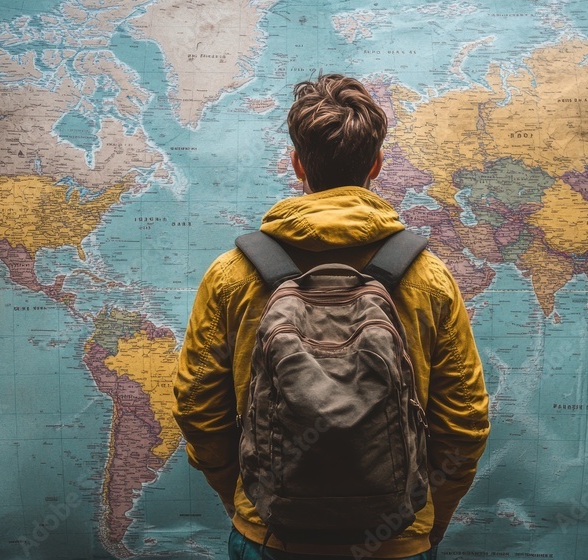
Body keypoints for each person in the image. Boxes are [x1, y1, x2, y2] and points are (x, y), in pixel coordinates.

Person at [173, 73, 490, 559]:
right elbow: (463, 423)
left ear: (297, 162)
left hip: (271, 537)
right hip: (395, 543)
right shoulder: (429, 278)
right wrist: (428, 519)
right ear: (377, 164)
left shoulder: (231, 274)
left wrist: (245, 501)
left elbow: (199, 407)